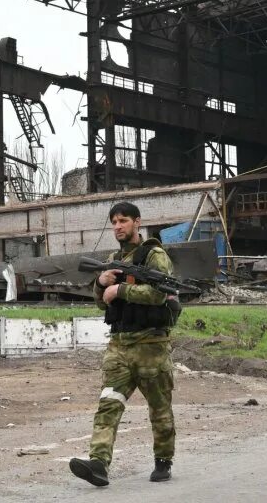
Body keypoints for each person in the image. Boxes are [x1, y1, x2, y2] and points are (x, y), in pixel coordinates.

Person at [69, 202, 179, 486]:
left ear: (137, 223)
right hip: (119, 346)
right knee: (108, 405)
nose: (118, 226)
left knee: (159, 409)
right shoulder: (112, 259)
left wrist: (120, 289)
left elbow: (159, 294)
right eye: (114, 222)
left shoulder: (155, 256)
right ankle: (98, 464)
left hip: (151, 344)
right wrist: (100, 282)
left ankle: (163, 460)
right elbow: (100, 303)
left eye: (123, 221)